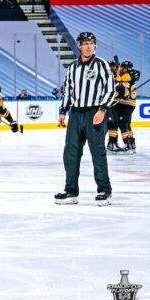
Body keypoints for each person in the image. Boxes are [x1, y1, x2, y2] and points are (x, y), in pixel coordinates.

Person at [55, 32, 115, 206]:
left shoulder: (101, 64)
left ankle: (104, 190)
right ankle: (70, 191)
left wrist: (102, 109)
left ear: (94, 45)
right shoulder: (72, 67)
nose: (88, 46)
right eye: (85, 43)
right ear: (79, 46)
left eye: (91, 43)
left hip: (95, 113)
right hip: (75, 114)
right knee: (70, 154)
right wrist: (63, 111)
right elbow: (68, 91)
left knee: (98, 152)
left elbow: (110, 89)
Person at [107, 60, 139, 154]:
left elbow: (121, 91)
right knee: (121, 123)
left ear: (127, 69)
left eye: (122, 67)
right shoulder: (124, 74)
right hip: (121, 104)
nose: (120, 68)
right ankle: (129, 143)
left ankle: (127, 143)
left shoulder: (127, 76)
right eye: (120, 66)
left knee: (122, 123)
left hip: (126, 104)